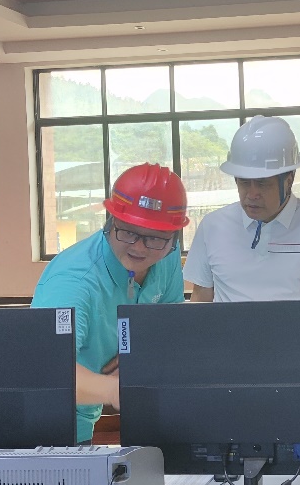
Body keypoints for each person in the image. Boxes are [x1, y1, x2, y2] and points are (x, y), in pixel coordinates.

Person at [30, 163, 188, 443]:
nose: (139, 247)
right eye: (128, 232)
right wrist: (117, 389)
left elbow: (169, 325)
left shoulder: (166, 256)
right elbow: (46, 370)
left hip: (93, 411)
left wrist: (138, 359)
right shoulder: (74, 282)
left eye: (154, 237)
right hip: (49, 422)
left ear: (173, 237)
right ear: (110, 221)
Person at [184, 116, 300, 302]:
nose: (252, 194)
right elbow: (200, 299)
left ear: (289, 180)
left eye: (262, 183)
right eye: (244, 182)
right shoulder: (212, 227)